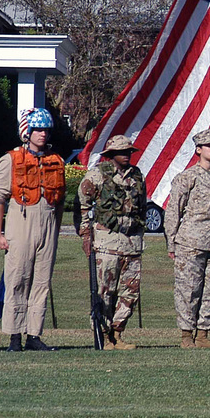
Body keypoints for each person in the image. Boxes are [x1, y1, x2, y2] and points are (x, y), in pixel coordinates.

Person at [0, 108, 65, 352]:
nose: (42, 134)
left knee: (42, 281)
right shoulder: (11, 159)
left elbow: (61, 201)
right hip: (20, 223)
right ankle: (14, 335)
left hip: (48, 224)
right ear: (27, 132)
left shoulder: (57, 160)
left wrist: (55, 230)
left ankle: (34, 334)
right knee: (17, 278)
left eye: (45, 129)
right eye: (38, 130)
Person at [77, 135, 147, 351]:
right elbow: (83, 206)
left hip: (131, 242)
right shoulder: (97, 175)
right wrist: (86, 236)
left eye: (128, 152)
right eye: (122, 152)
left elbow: (142, 206)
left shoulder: (136, 176)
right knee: (104, 292)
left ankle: (118, 333)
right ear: (111, 155)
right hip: (107, 243)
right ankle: (104, 335)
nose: (126, 156)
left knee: (130, 291)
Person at [164, 128, 210, 349]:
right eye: (209, 146)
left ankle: (203, 334)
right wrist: (171, 241)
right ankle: (186, 335)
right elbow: (174, 210)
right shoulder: (187, 177)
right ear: (198, 150)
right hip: (191, 242)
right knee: (189, 289)